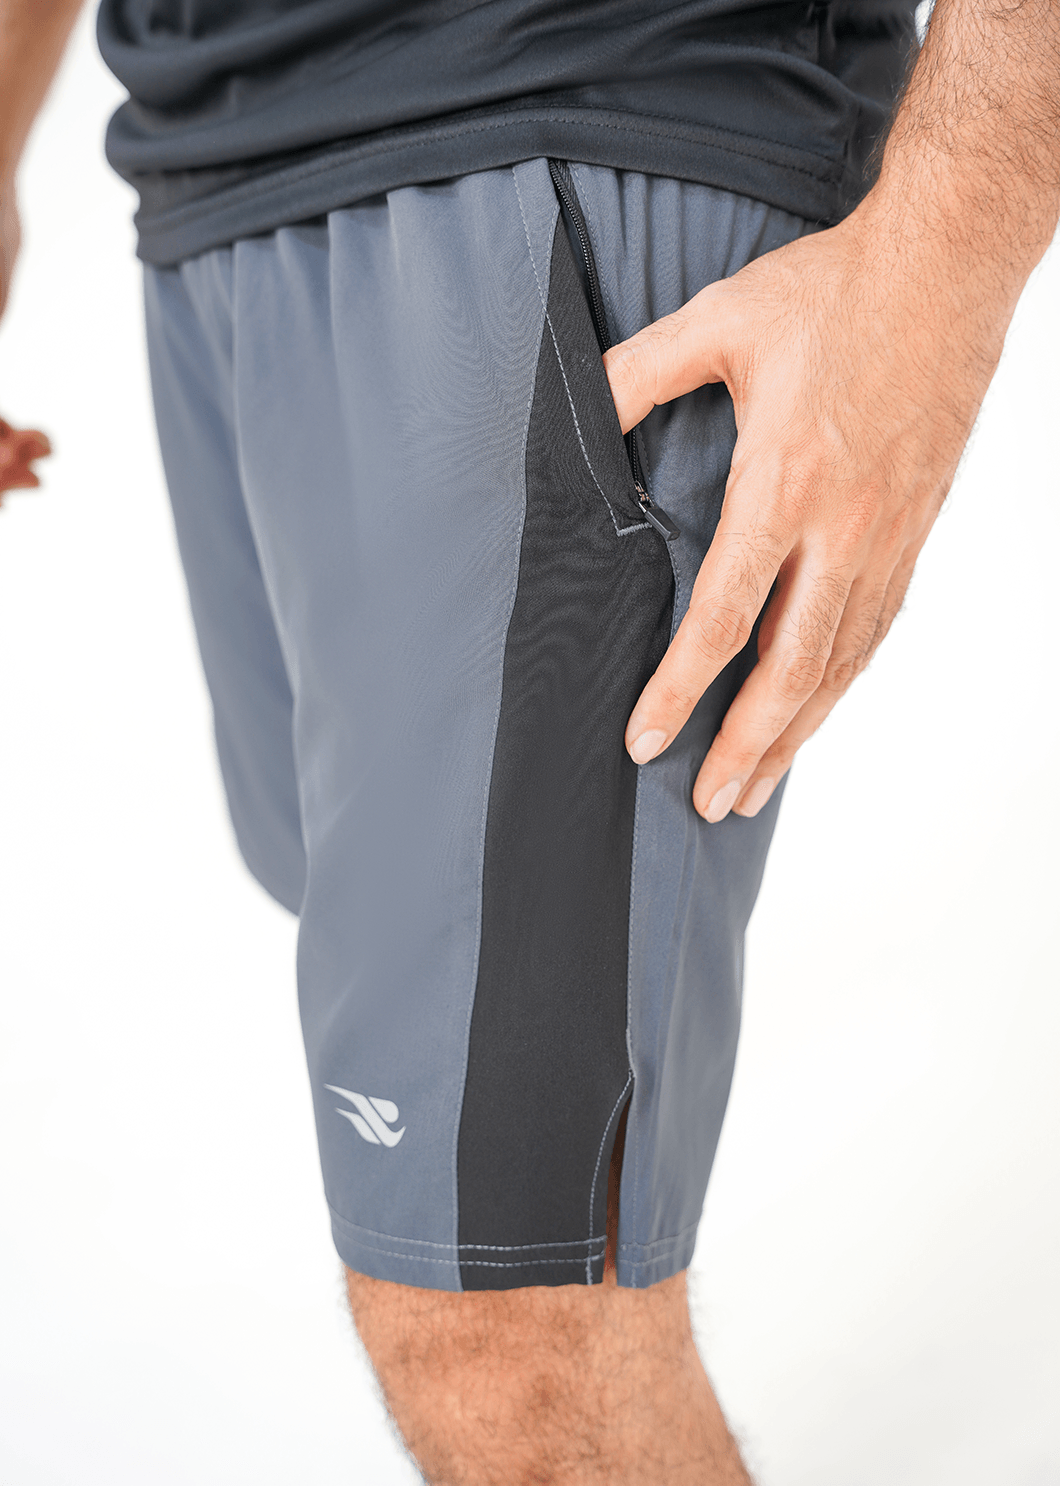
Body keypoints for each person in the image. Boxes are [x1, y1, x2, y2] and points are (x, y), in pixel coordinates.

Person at [1, 2, 1057, 1481]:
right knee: (434, 1098)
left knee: (508, 1318)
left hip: (581, 114)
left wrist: (944, 273)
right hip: (212, 184)